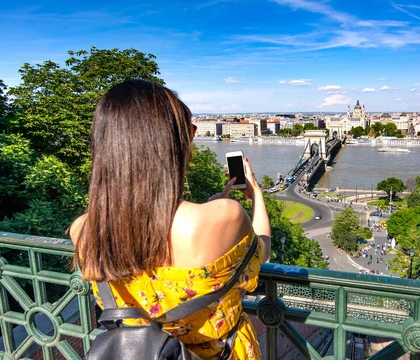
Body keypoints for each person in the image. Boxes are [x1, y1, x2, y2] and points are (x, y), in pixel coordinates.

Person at [68, 80, 271, 360]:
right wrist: (256, 194)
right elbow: (263, 251)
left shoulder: (82, 230)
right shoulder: (226, 215)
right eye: (189, 131)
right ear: (170, 144)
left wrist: (210, 209)